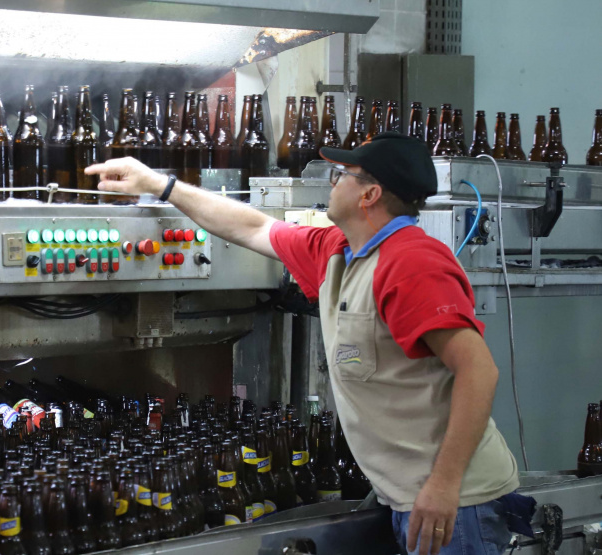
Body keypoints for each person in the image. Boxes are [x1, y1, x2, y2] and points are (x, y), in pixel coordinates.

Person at [85, 132, 525, 555]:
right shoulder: (338, 252)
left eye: (342, 175)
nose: (332, 184)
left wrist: (444, 485)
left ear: (369, 195)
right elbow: (251, 226)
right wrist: (160, 185)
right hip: (409, 496)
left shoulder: (412, 264)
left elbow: (478, 371)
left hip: (455, 504)